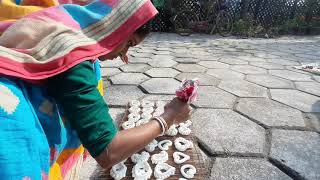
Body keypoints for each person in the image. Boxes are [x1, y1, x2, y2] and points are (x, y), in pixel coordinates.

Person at [0, 0, 191, 179]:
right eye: (129, 43)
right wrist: (169, 117)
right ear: (116, 27)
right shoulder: (72, 56)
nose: (124, 53)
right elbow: (108, 152)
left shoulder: (65, 22)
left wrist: (115, 46)